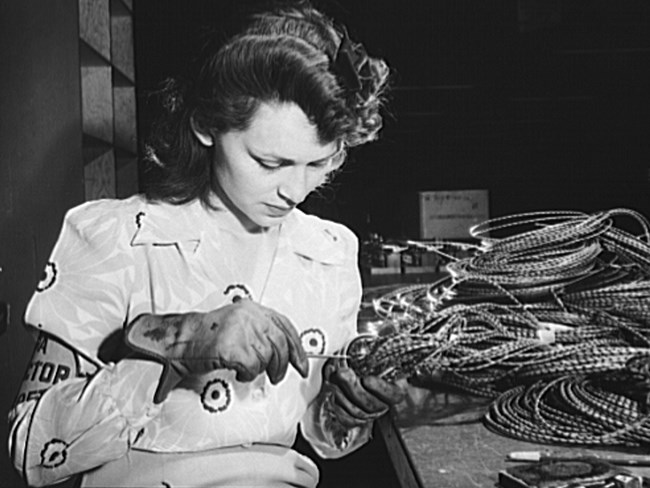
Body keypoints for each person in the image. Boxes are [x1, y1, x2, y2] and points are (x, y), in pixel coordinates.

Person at [8, 2, 404, 487]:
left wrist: (348, 409)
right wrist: (179, 342)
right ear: (206, 125)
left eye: (319, 164)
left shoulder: (328, 252)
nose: (295, 190)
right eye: (269, 162)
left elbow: (319, 433)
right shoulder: (122, 238)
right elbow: (29, 445)